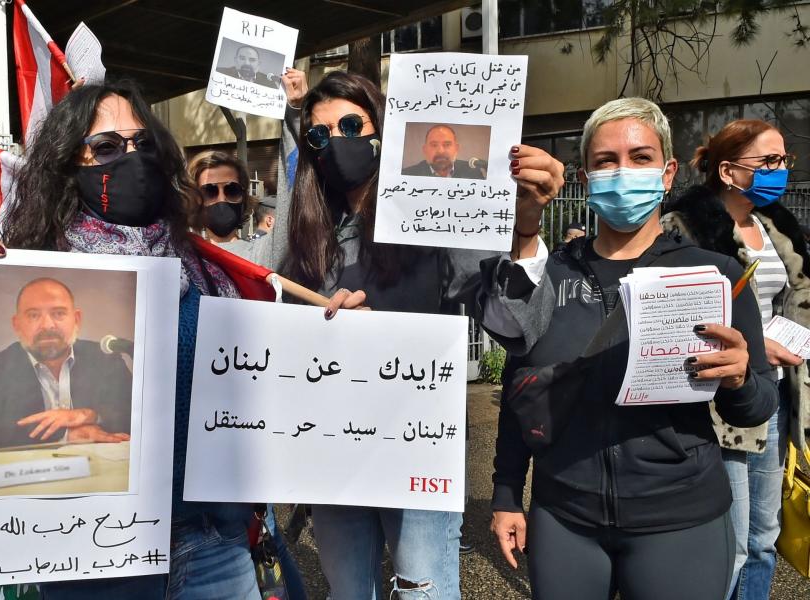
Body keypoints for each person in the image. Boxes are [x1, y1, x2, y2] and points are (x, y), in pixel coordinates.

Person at [0, 80, 359, 599]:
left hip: (211, 550)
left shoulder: (206, 275)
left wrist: (333, 336)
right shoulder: (25, 267)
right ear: (69, 164)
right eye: (108, 147)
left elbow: (256, 394)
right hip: (90, 562)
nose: (131, 158)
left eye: (144, 144)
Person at [283, 70, 564, 599]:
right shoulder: (305, 234)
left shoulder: (435, 221)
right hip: (332, 453)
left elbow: (517, 325)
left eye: (351, 125)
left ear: (382, 130)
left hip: (416, 450)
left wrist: (525, 229)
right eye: (319, 136)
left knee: (425, 591)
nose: (336, 143)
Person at [486, 98, 777, 600]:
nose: (623, 172)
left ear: (667, 174)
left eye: (640, 158)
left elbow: (757, 407)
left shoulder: (716, 275)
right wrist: (507, 493)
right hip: (565, 518)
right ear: (584, 177)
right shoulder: (546, 273)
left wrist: (739, 377)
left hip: (681, 520)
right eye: (606, 161)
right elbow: (521, 387)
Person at [661, 119, 809, 600]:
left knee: (764, 538)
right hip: (721, 399)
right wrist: (750, 342)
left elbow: (795, 299)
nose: (780, 170)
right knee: (731, 541)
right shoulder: (682, 229)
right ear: (727, 170)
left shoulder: (773, 226)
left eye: (783, 160)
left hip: (776, 396)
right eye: (768, 161)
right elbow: (671, 316)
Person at [0, 277, 132, 452]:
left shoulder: (106, 359)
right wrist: (66, 436)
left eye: (59, 313)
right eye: (33, 315)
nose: (47, 325)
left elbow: (134, 414)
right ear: (17, 325)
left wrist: (89, 415)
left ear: (76, 319)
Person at [401, 124, 484, 179]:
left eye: (447, 144)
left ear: (456, 148)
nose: (440, 151)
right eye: (434, 145)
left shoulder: (473, 173)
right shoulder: (408, 175)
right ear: (425, 150)